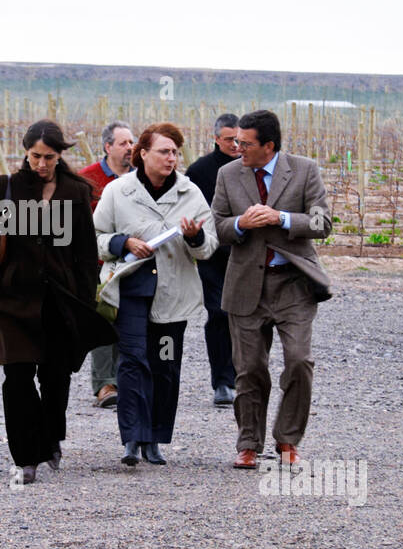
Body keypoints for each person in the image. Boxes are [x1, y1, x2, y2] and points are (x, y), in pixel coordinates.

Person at [0, 120, 115, 484]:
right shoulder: (7, 188)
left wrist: (86, 297)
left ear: (60, 155)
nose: (41, 163)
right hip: (14, 298)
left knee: (55, 378)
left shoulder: (75, 191)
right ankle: (26, 455)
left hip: (61, 300)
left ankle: (51, 437)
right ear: (25, 152)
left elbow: (85, 251)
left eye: (48, 157)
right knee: (16, 376)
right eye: (35, 155)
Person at [210, 109, 333, 469]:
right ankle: (248, 442)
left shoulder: (304, 169)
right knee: (249, 369)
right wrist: (241, 224)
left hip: (293, 285)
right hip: (246, 285)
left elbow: (322, 222)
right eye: (235, 141)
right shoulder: (227, 174)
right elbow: (217, 226)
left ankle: (288, 441)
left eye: (245, 143)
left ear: (269, 145)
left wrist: (281, 218)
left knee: (299, 362)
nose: (237, 148)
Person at [93, 122, 217, 466]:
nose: (171, 158)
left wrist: (194, 238)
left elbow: (209, 248)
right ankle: (133, 438)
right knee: (132, 362)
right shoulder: (118, 192)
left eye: (175, 152)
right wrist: (123, 242)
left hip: (172, 296)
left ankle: (156, 439)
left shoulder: (190, 195)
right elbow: (97, 237)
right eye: (164, 151)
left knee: (164, 365)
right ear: (143, 153)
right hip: (132, 291)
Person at [184, 113, 242, 406]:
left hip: (245, 255)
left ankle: (241, 377)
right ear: (216, 138)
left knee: (245, 316)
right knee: (219, 314)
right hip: (213, 255)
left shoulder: (250, 165)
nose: (235, 144)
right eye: (230, 138)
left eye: (238, 138)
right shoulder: (200, 170)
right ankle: (222, 381)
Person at [79, 120, 133, 409]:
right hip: (98, 264)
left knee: (132, 323)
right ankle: (104, 385)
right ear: (107, 146)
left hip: (136, 263)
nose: (130, 148)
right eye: (123, 143)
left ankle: (129, 380)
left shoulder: (142, 179)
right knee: (103, 320)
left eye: (131, 143)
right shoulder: (87, 179)